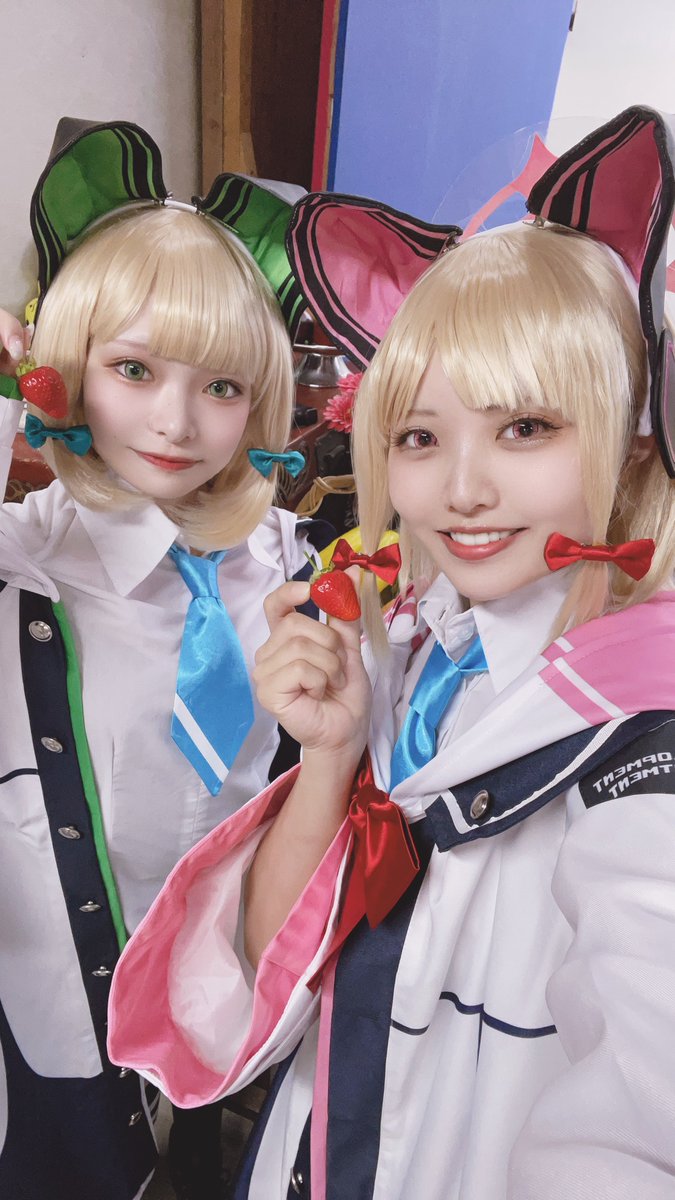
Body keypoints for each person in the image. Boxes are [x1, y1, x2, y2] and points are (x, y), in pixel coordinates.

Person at [108, 106, 675, 1198]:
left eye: (525, 428)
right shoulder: (413, 648)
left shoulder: (644, 741)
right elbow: (272, 968)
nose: (460, 489)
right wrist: (329, 756)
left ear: (635, 433)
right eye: (418, 436)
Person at [0, 117, 332, 1200]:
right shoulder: (21, 563)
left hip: (221, 1024)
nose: (176, 422)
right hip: (47, 1035)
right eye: (132, 368)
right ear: (64, 369)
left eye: (223, 387)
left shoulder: (299, 569)